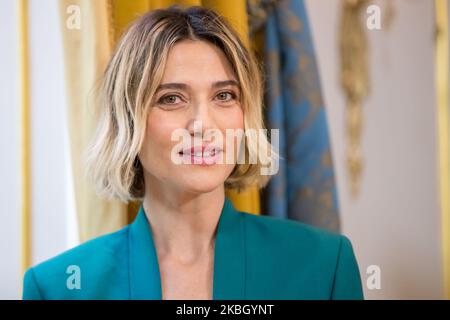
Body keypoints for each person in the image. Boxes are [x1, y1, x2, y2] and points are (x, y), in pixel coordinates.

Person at [23, 5, 364, 300]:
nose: (203, 125)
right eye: (171, 98)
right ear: (128, 122)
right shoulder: (57, 287)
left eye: (224, 96)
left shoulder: (324, 265)